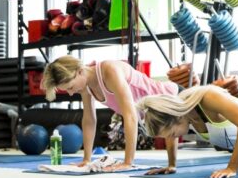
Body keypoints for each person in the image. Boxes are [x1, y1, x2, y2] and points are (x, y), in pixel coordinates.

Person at [41, 56, 179, 172]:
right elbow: (89, 119)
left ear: (80, 71)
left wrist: (127, 162)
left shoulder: (109, 70)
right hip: (155, 114)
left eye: (70, 87)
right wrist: (86, 160)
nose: (71, 93)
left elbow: (130, 115)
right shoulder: (85, 85)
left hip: (174, 98)